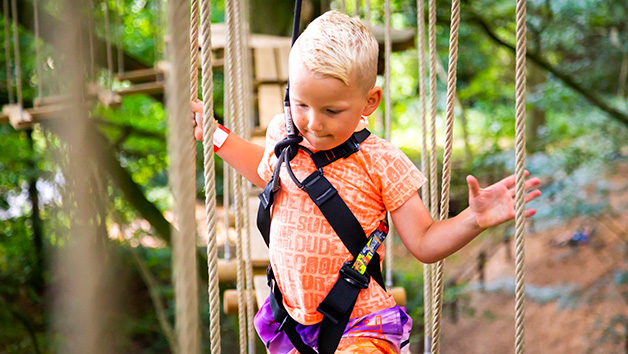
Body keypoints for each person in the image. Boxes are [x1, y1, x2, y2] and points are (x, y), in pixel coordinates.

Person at [192, 11, 541, 354]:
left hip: (361, 323)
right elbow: (269, 173)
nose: (313, 123)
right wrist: (218, 137)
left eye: (331, 111)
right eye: (301, 104)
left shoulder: (382, 162)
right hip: (293, 323)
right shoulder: (285, 134)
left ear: (369, 102)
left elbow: (422, 241)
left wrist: (473, 219)